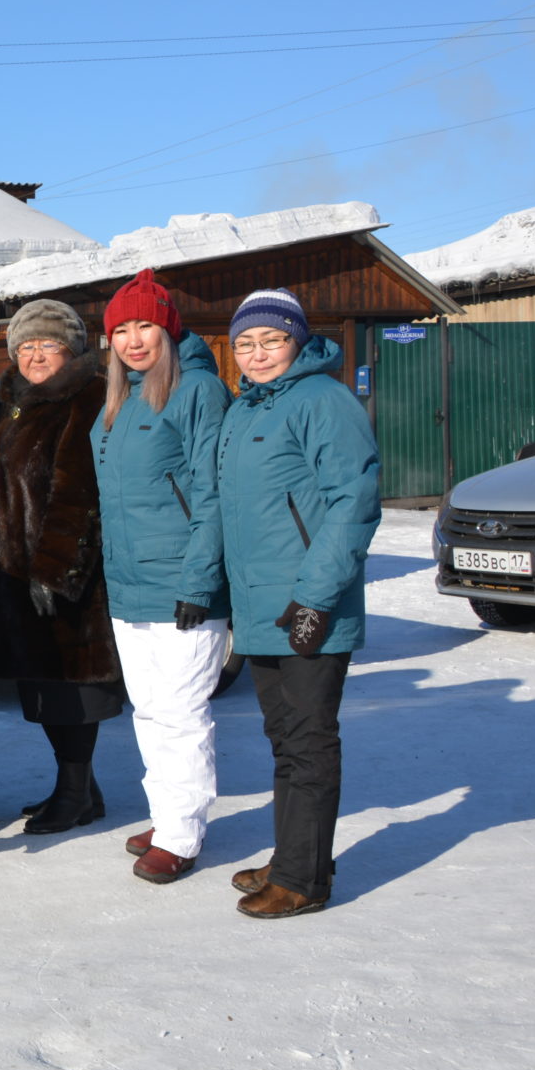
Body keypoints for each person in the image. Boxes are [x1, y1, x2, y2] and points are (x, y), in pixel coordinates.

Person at [217, 289, 380, 919]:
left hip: (310, 603)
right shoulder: (245, 409)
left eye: (271, 340)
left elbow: (354, 503)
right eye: (245, 344)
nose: (257, 354)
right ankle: (295, 855)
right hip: (260, 606)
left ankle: (305, 879)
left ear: (298, 340)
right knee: (284, 739)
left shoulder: (324, 401)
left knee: (310, 741)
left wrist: (315, 598)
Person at [89, 270, 230, 886]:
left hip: (182, 584)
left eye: (145, 325)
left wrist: (199, 581)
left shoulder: (198, 391)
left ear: (168, 328)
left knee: (180, 712)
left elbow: (212, 492)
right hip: (130, 584)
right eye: (121, 329)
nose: (133, 340)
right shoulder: (119, 400)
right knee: (148, 711)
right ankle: (168, 813)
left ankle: (182, 834)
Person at [0, 298, 122, 836]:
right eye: (26, 345)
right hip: (19, 572)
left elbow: (79, 492)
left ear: (72, 349)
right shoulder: (17, 401)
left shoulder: (86, 398)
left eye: (48, 344)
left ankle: (75, 793)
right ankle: (82, 788)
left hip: (63, 576)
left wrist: (56, 570)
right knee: (46, 689)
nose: (36, 355)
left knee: (70, 690)